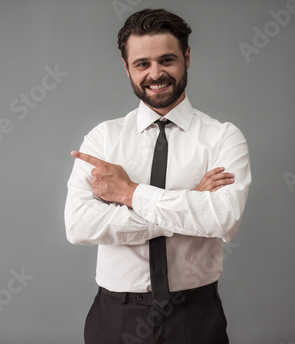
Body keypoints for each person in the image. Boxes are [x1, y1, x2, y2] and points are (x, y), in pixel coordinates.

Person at [64, 8, 251, 344]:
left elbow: (224, 220)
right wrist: (191, 201)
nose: (156, 74)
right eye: (142, 64)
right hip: (115, 316)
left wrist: (130, 193)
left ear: (187, 57)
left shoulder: (223, 137)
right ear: (127, 68)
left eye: (167, 60)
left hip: (195, 315)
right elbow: (79, 225)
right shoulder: (102, 140)